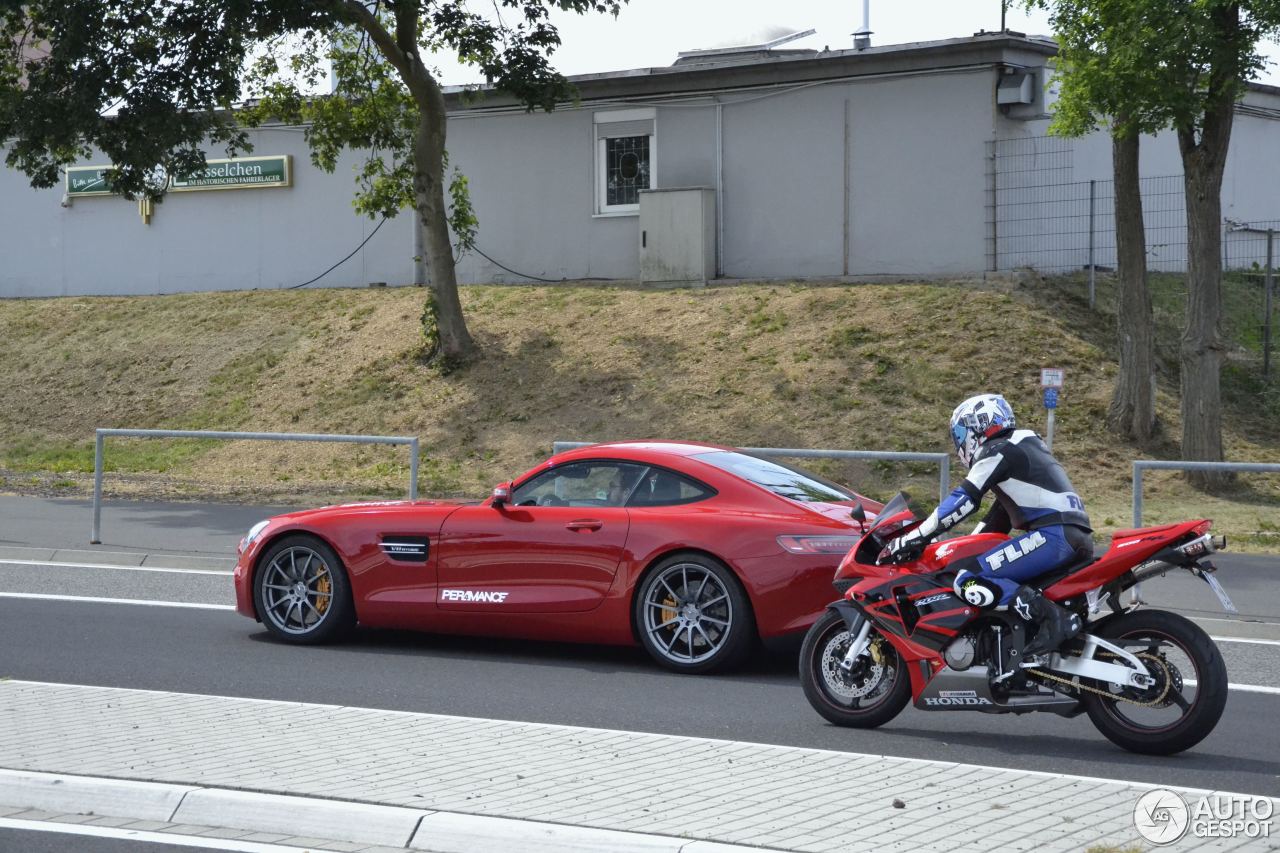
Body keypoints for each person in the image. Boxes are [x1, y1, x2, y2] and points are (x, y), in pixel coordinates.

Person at [887, 393, 1092, 664]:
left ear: (978, 425)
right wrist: (958, 551)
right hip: (1072, 535)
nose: (960, 441)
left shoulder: (997, 449)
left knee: (967, 579)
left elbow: (964, 500)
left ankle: (1053, 620)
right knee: (981, 569)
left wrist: (916, 537)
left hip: (1053, 537)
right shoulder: (1021, 446)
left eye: (961, 432)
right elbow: (997, 519)